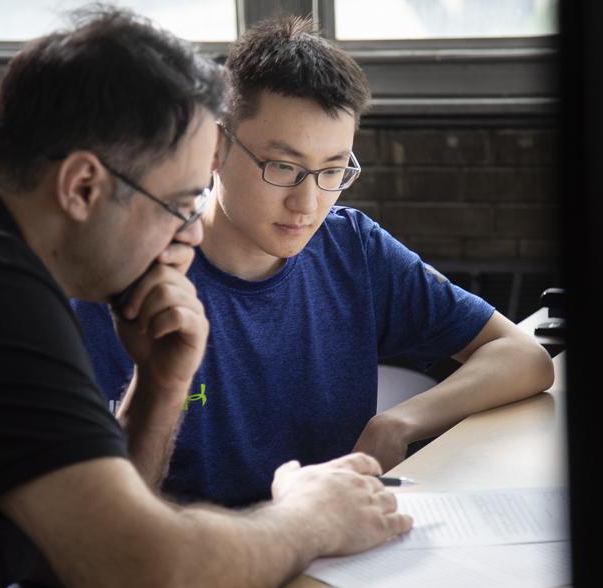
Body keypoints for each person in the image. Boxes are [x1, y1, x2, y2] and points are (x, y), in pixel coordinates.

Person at [0, 8, 413, 588]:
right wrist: (308, 519)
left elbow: (78, 550)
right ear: (83, 187)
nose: (192, 233)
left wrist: (161, 381)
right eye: (180, 203)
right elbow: (148, 587)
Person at [73, 15, 556, 509]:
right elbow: (99, 521)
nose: (307, 204)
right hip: (197, 565)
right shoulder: (125, 278)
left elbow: (523, 358)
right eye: (283, 167)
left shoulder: (352, 250)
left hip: (326, 557)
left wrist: (399, 421)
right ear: (214, 147)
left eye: (332, 170)